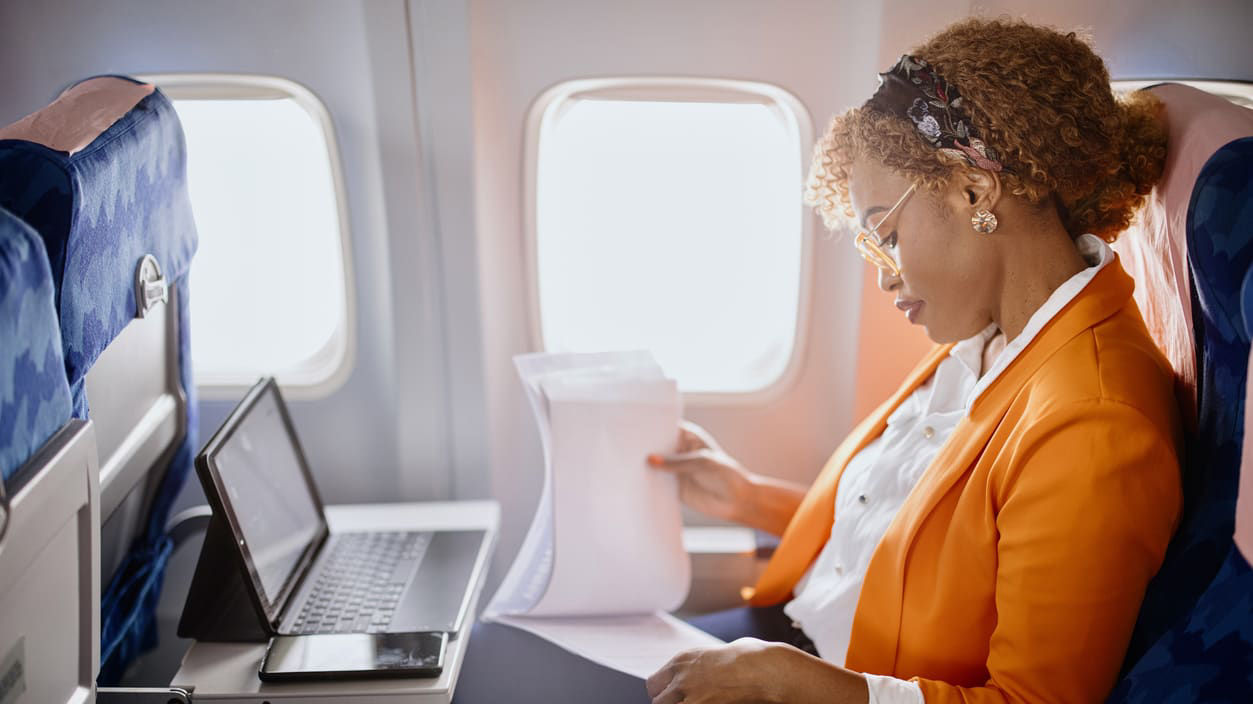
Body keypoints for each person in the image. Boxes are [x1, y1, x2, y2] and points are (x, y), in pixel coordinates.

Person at [643, 17, 1182, 704]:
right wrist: (745, 496)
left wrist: (792, 684)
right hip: (793, 636)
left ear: (972, 190)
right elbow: (913, 538)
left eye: (886, 236)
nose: (885, 277)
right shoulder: (991, 337)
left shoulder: (1094, 424)